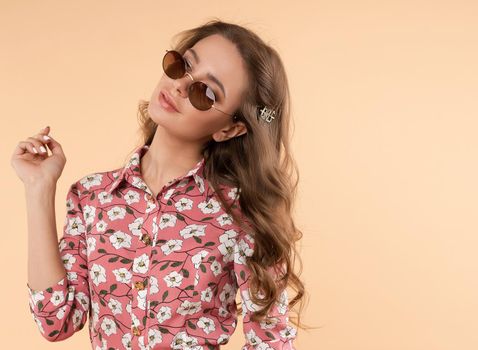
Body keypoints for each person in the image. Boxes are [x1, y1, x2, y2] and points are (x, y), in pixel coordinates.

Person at [11, 19, 306, 350]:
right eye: (182, 65)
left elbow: (272, 343)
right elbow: (56, 320)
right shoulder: (91, 198)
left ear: (229, 129)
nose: (180, 85)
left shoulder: (241, 216)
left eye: (206, 92)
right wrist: (38, 188)